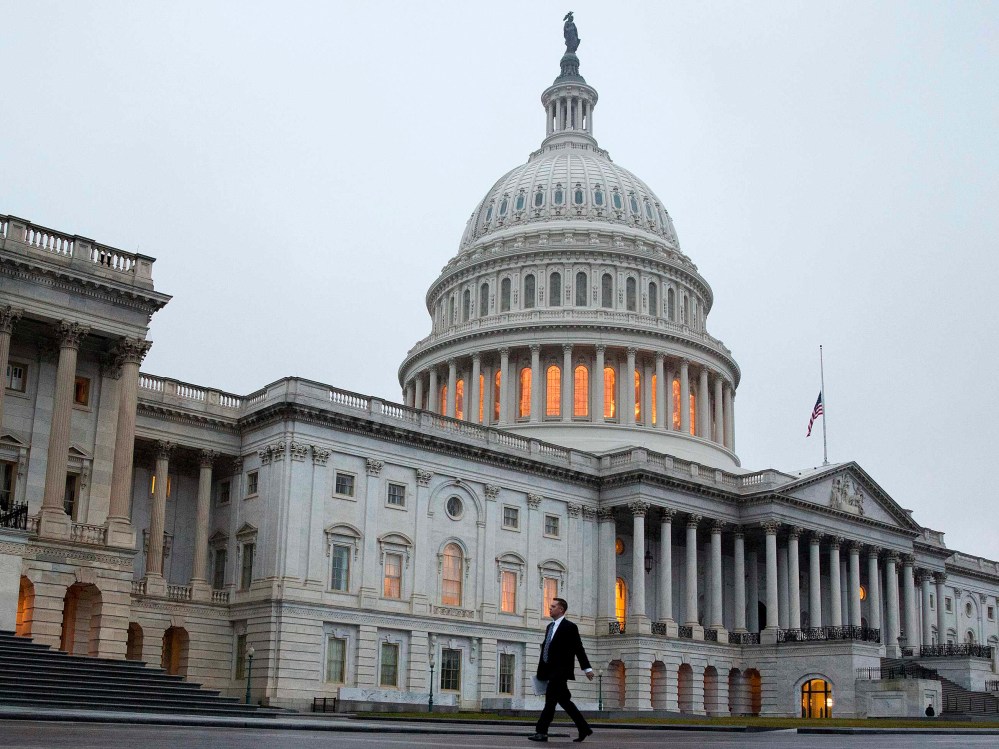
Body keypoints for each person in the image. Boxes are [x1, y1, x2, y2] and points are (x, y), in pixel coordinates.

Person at [528, 597, 594, 743]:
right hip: (549, 672)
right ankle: (584, 728)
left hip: (560, 672)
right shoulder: (549, 627)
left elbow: (578, 648)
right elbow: (547, 649)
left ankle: (541, 732)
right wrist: (542, 673)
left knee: (550, 702)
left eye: (553, 606)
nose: (549, 608)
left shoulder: (570, 627)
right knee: (565, 702)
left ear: (561, 609)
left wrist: (587, 668)